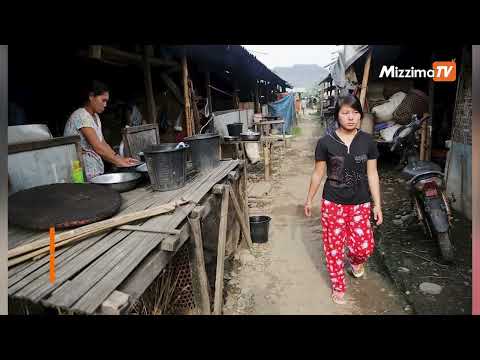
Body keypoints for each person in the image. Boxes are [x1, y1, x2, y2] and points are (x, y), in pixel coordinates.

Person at [304, 94, 383, 305]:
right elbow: (318, 173)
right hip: (333, 203)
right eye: (345, 113)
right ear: (337, 116)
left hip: (360, 203)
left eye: (355, 112)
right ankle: (338, 285)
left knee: (364, 247)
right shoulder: (325, 143)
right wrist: (309, 199)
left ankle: (356, 263)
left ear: (360, 115)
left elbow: (373, 174)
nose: (351, 117)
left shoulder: (367, 141)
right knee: (334, 247)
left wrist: (378, 205)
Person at [64, 80, 139, 180]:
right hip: (80, 174)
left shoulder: (95, 117)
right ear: (91, 96)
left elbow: (103, 143)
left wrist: (121, 159)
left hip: (94, 172)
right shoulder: (81, 116)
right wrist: (119, 162)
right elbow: (98, 147)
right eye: (103, 100)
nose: (105, 105)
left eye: (106, 101)